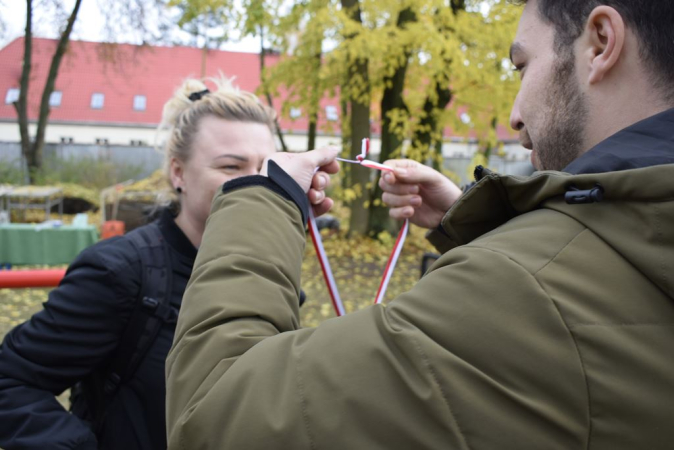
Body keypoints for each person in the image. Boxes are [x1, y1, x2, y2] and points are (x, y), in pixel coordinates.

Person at [166, 0, 674, 448]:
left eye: (522, 66)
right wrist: (475, 220)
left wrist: (265, 196)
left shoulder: (518, 293)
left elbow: (214, 416)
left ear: (602, 42)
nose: (516, 115)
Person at [0, 77, 278, 449]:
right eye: (232, 166)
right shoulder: (120, 272)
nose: (256, 183)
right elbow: (11, 382)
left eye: (266, 168)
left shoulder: (271, 273)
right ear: (178, 173)